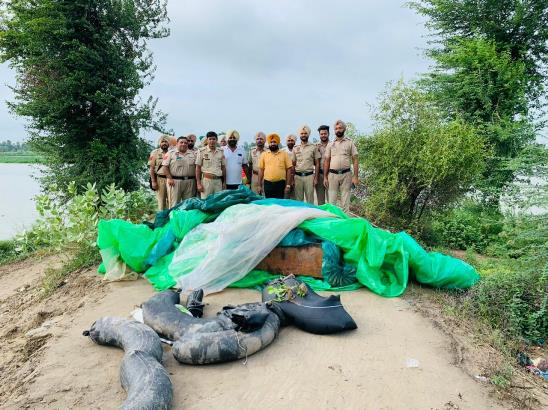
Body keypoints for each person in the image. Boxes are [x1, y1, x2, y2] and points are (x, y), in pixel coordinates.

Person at [323, 120, 359, 212]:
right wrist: (325, 177)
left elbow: (355, 159)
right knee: (332, 202)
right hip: (332, 176)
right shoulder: (330, 144)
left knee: (345, 202)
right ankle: (333, 222)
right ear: (334, 131)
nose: (338, 130)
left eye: (340, 128)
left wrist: (355, 177)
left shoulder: (350, 143)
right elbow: (326, 161)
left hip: (346, 175)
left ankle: (345, 222)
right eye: (336, 128)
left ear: (344, 129)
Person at [162, 136, 197, 206]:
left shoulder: (193, 154)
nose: (183, 144)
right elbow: (165, 167)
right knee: (174, 204)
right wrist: (169, 178)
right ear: (177, 143)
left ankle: (186, 217)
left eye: (185, 143)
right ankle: (173, 217)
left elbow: (197, 167)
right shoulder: (170, 153)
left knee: (188, 205)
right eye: (181, 142)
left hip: (190, 182)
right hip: (175, 182)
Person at [258, 133, 293, 199]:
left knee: (279, 205)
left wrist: (288, 185)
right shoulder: (264, 155)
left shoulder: (284, 154)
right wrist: (259, 185)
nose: (273, 144)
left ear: (278, 143)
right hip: (268, 184)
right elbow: (261, 170)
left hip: (280, 184)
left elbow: (289, 170)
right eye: (271, 142)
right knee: (269, 204)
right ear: (269, 144)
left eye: (274, 142)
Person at [292, 125, 320, 204]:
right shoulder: (295, 148)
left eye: (305, 133)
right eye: (302, 133)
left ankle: (310, 216)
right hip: (297, 177)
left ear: (308, 134)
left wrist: (316, 178)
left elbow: (317, 164)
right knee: (298, 200)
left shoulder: (313, 147)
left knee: (310, 199)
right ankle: (300, 216)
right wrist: (292, 178)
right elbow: (293, 164)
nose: (303, 135)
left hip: (309, 177)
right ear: (299, 135)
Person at [195, 131, 226, 199]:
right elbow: (198, 167)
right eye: (210, 139)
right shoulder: (201, 151)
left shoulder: (221, 151)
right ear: (207, 140)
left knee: (218, 202)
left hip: (218, 181)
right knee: (205, 202)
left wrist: (224, 182)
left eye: (214, 139)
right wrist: (198, 183)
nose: (212, 141)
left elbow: (223, 167)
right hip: (206, 181)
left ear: (217, 140)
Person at [148, 134, 171, 210]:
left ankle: (170, 219)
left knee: (171, 201)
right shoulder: (154, 153)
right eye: (162, 141)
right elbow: (151, 168)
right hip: (160, 179)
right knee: (161, 202)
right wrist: (153, 181)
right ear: (159, 143)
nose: (164, 143)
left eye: (166, 142)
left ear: (169, 143)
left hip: (170, 179)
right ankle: (161, 220)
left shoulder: (172, 152)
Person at [315, 125, 330, 205]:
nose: (323, 135)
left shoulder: (332, 145)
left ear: (328, 134)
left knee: (331, 199)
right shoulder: (316, 146)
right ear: (319, 135)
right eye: (321, 134)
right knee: (320, 201)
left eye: (325, 133)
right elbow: (314, 162)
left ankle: (332, 216)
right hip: (319, 175)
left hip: (330, 175)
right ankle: (322, 216)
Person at [283, 134, 297, 199]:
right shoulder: (282, 151)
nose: (290, 142)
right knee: (286, 197)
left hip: (297, 177)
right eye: (288, 140)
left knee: (295, 197)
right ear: (286, 142)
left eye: (292, 140)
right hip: (285, 177)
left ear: (295, 142)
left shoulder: (298, 150)